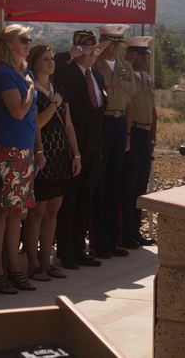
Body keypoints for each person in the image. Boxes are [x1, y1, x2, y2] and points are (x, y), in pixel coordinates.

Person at [22, 44, 81, 282]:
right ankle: (33, 265)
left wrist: (75, 154)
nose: (50, 62)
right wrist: (54, 104)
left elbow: (68, 125)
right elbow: (37, 123)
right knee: (38, 211)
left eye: (51, 59)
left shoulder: (61, 90)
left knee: (53, 211)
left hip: (60, 157)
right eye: (45, 59)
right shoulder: (31, 90)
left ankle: (47, 262)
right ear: (35, 63)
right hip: (41, 156)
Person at [0, 24, 38, 294]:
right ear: (8, 44)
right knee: (0, 211)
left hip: (25, 149)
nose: (28, 43)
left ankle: (14, 269)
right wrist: (30, 90)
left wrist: (38, 150)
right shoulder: (3, 74)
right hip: (7, 150)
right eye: (23, 39)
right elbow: (18, 112)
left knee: (16, 212)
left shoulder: (25, 72)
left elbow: (32, 118)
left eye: (29, 39)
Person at [53, 30, 107, 270]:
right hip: (73, 145)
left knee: (86, 199)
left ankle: (79, 247)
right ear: (75, 49)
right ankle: (66, 251)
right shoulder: (65, 71)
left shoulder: (96, 74)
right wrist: (70, 55)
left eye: (93, 50)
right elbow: (52, 65)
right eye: (84, 49)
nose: (90, 54)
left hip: (93, 146)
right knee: (71, 201)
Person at [92, 24, 137, 259]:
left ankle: (112, 240)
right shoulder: (93, 64)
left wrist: (128, 134)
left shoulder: (125, 67)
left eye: (119, 42)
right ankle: (98, 242)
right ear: (102, 41)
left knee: (114, 185)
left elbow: (129, 104)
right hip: (101, 124)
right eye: (112, 41)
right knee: (98, 185)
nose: (116, 46)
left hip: (119, 125)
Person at [120, 36, 157, 249]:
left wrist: (153, 138)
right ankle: (125, 232)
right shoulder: (125, 75)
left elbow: (153, 111)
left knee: (140, 187)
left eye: (144, 55)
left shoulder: (146, 78)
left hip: (144, 134)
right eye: (140, 54)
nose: (143, 59)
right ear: (131, 54)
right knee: (129, 185)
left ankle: (135, 231)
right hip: (131, 132)